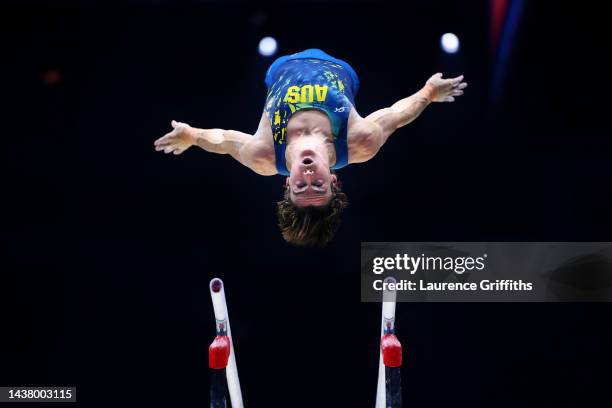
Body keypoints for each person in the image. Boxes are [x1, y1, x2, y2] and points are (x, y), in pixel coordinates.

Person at [154, 48, 467, 246]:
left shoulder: (264, 155)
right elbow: (395, 116)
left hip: (280, 67)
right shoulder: (359, 143)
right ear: (333, 181)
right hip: (342, 65)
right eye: (317, 184)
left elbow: (224, 141)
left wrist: (193, 136)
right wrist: (428, 92)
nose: (307, 174)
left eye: (300, 186)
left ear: (287, 184)